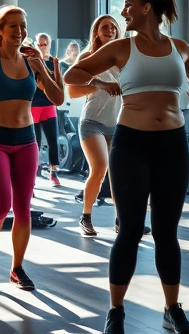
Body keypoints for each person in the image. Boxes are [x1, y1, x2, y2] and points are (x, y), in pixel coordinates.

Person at [63, 0, 189, 334]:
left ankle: (172, 309)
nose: (123, 11)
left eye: (128, 5)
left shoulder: (179, 48)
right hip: (131, 145)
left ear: (146, 8)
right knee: (128, 231)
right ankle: (116, 311)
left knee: (166, 232)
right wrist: (101, 83)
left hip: (172, 145)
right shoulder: (120, 48)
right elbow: (72, 75)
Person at [0, 6, 63, 291]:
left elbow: (56, 98)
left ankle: (17, 268)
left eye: (23, 26)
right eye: (13, 27)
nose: (20, 32)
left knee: (23, 208)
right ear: (0, 30)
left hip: (26, 142)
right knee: (1, 206)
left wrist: (42, 67)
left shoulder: (32, 63)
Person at [66, 15, 121, 237]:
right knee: (99, 168)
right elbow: (72, 90)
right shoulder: (88, 56)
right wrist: (100, 85)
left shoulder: (123, 58)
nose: (110, 30)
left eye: (113, 27)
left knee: (118, 174)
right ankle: (86, 217)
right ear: (96, 32)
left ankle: (122, 221)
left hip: (116, 123)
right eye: (105, 27)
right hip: (92, 122)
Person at [30, 32, 63, 186]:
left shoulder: (54, 62)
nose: (42, 46)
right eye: (39, 44)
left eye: (45, 44)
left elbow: (58, 84)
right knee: (33, 142)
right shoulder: (31, 62)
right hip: (33, 105)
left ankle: (53, 172)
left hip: (48, 105)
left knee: (53, 139)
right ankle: (33, 174)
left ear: (49, 44)